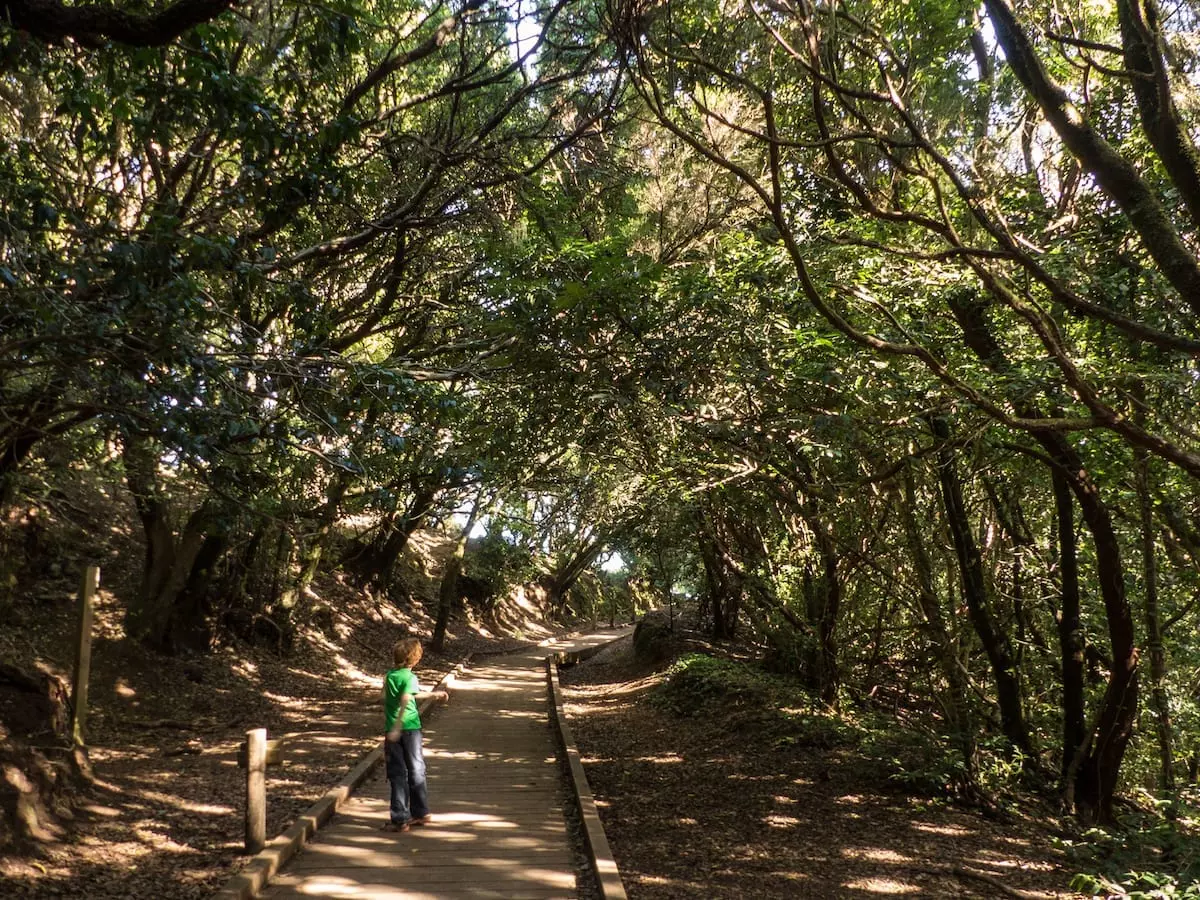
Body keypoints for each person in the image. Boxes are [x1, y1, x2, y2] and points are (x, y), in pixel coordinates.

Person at [381, 637, 448, 833]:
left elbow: (387, 696)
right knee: (416, 769)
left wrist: (433, 695)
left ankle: (401, 817)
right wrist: (398, 727)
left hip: (394, 728)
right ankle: (419, 812)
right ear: (415, 659)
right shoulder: (410, 678)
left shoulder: (390, 676)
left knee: (397, 773)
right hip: (410, 728)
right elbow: (406, 699)